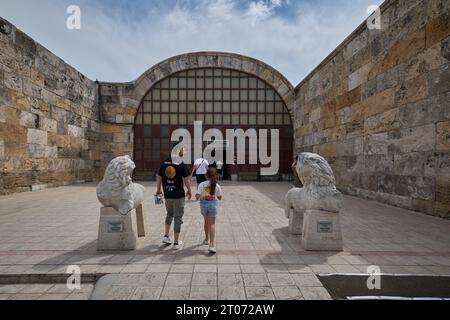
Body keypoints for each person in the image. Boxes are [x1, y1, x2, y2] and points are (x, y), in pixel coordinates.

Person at [156, 146, 192, 250]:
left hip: (167, 195)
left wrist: (158, 189)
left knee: (169, 214)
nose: (184, 151)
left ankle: (166, 236)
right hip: (178, 195)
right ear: (177, 150)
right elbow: (186, 180)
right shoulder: (180, 162)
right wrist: (189, 190)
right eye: (182, 149)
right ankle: (176, 243)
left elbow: (159, 176)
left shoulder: (165, 162)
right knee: (178, 217)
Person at [196, 168, 222, 254]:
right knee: (212, 224)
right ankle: (212, 245)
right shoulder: (217, 185)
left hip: (203, 204)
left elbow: (198, 196)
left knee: (206, 222)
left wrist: (197, 196)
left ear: (206, 176)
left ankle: (206, 238)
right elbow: (219, 197)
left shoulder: (202, 184)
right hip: (213, 205)